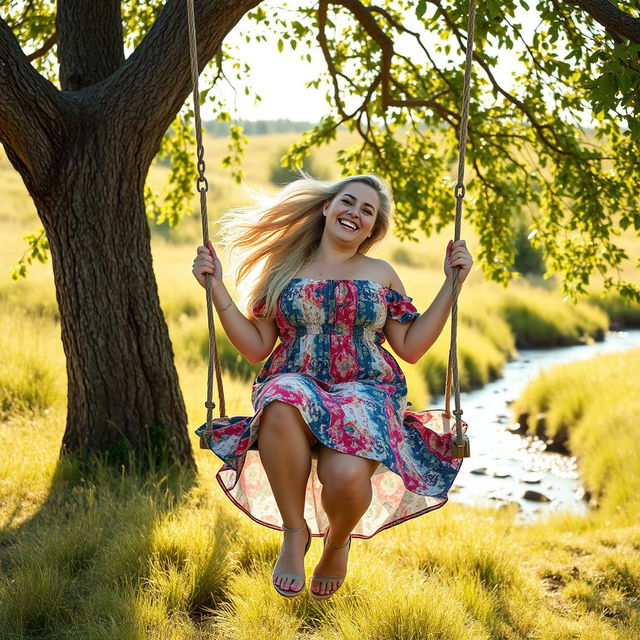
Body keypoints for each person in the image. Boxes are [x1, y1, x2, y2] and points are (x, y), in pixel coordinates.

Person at [191, 174, 473, 600]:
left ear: (372, 229)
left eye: (367, 211)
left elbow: (411, 348)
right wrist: (215, 288)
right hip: (296, 381)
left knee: (342, 478)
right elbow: (255, 347)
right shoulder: (283, 270)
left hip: (367, 389)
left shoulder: (381, 274)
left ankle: (337, 542)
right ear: (327, 207)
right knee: (282, 396)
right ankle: (294, 532)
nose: (355, 213)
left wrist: (452, 284)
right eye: (348, 202)